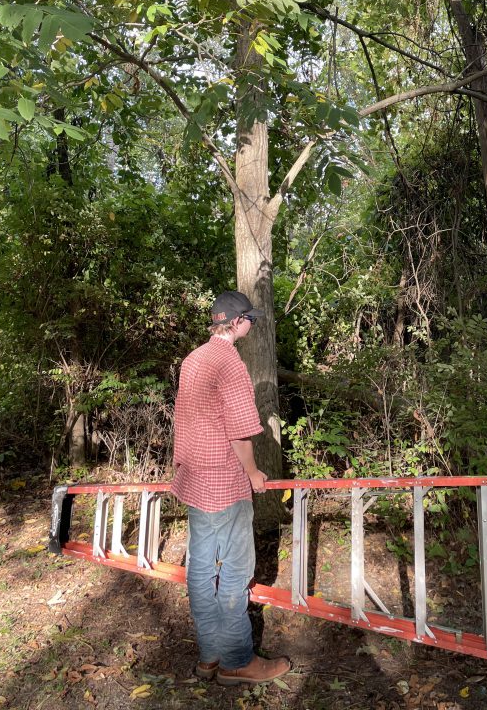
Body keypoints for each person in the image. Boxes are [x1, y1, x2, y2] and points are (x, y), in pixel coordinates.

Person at [171, 290, 290, 686]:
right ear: (236, 322)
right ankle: (238, 660)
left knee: (202, 570)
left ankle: (209, 656)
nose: (252, 325)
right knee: (236, 572)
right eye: (250, 320)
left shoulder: (193, 360)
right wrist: (255, 473)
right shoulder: (230, 363)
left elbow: (186, 422)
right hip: (225, 483)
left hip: (195, 482)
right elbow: (240, 432)